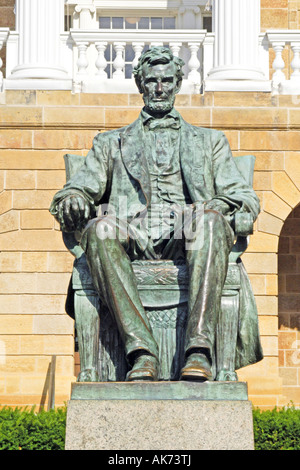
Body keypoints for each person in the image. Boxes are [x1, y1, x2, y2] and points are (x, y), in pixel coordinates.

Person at [50, 47, 262, 383]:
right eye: (151, 81)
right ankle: (141, 351)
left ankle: (199, 351)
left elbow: (242, 196)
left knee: (208, 223)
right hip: (133, 234)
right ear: (141, 85)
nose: (159, 88)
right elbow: (78, 189)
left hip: (189, 233)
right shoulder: (110, 143)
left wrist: (217, 207)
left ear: (178, 83)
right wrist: (74, 199)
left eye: (166, 80)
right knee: (99, 229)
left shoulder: (210, 142)